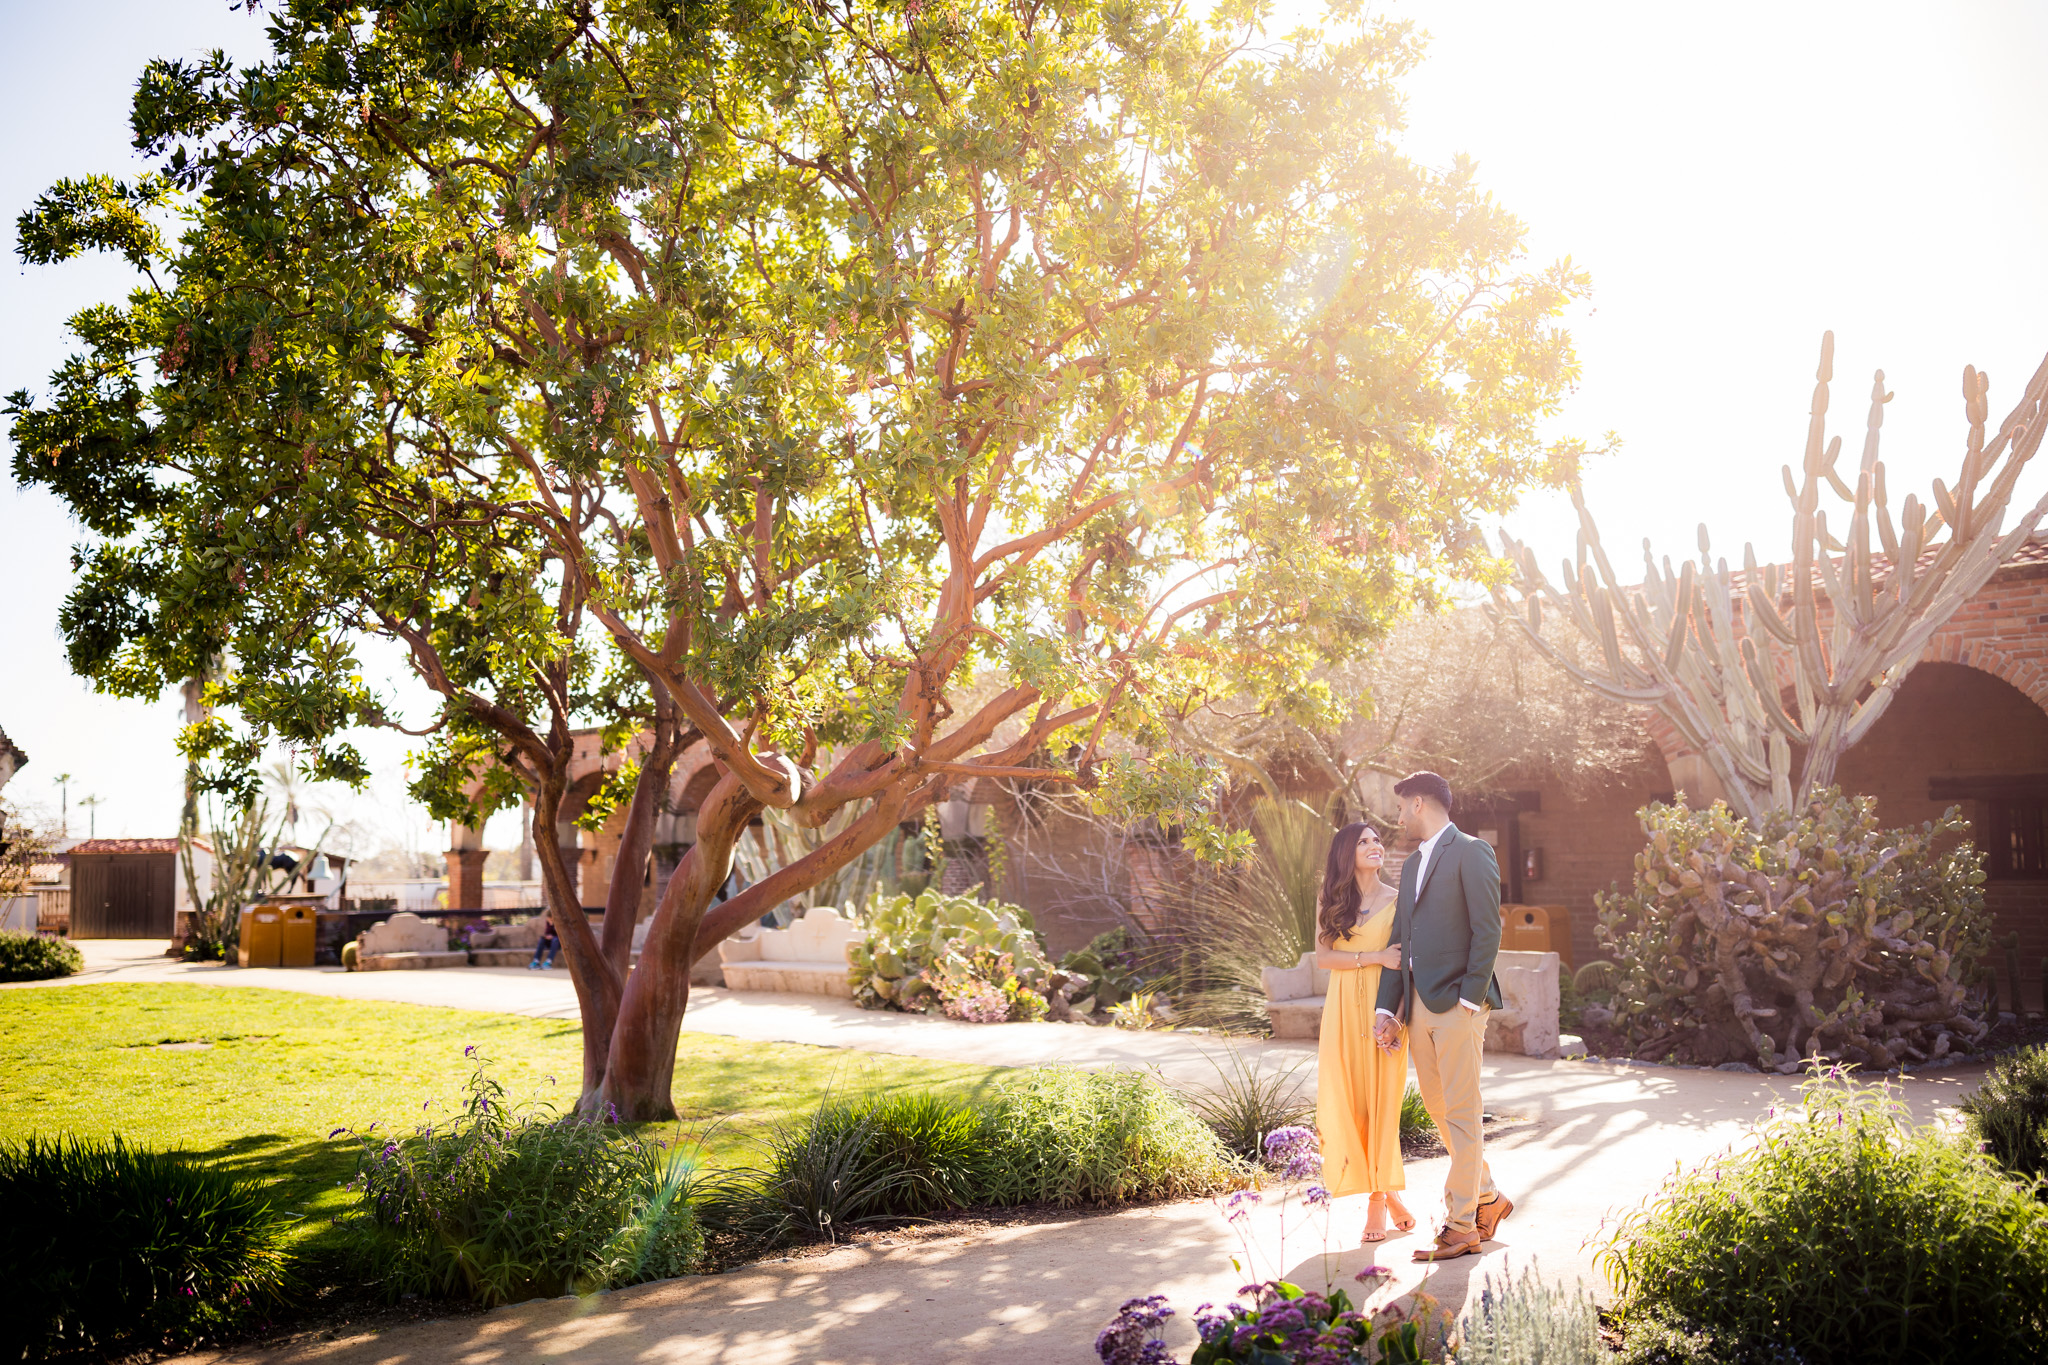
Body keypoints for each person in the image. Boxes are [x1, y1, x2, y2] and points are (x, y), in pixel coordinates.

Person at [1372, 770, 1513, 1262]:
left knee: (1462, 1111)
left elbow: (1488, 927)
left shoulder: (1472, 851)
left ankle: (1461, 1225)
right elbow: (1402, 943)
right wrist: (1388, 1007)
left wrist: (1471, 997)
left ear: (1417, 804)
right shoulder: (1411, 865)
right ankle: (1489, 1196)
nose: (1397, 818)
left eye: (1399, 808)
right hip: (1417, 1006)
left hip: (1457, 1003)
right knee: (1438, 1109)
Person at [1313, 821, 1418, 1244]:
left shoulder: (1399, 901)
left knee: (1382, 1104)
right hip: (1341, 1012)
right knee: (1350, 1104)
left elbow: (1406, 965)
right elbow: (1323, 958)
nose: (1374, 846)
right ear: (1346, 853)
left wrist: (1395, 1017)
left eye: (1376, 840)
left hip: (1382, 1012)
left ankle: (1376, 1204)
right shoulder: (1331, 899)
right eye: (1363, 842)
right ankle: (1387, 1191)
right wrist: (1373, 955)